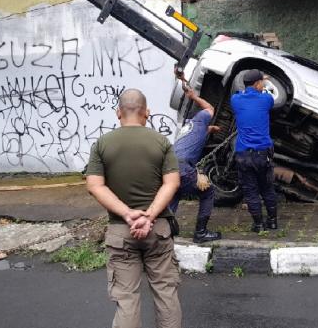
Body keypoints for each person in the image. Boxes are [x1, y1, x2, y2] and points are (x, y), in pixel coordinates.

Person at [85, 89, 182, 328]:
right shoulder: (161, 142)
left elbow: (94, 186)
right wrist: (149, 216)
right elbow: (173, 183)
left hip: (121, 233)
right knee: (165, 293)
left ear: (118, 113)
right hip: (157, 230)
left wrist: (128, 214)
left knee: (126, 299)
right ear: (146, 113)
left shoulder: (101, 144)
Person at [168, 74, 222, 243]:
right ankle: (201, 232)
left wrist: (211, 129)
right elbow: (210, 109)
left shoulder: (188, 127)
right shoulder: (201, 120)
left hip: (169, 167)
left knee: (175, 193)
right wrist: (194, 97)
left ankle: (165, 229)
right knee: (208, 192)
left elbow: (206, 130)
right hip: (184, 167)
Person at [230, 69, 278, 232]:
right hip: (262, 154)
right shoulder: (265, 99)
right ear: (258, 84)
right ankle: (272, 222)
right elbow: (270, 94)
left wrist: (257, 82)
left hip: (243, 154)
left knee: (251, 191)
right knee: (267, 188)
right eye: (261, 82)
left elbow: (241, 92)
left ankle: (258, 225)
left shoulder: (235, 100)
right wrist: (264, 82)